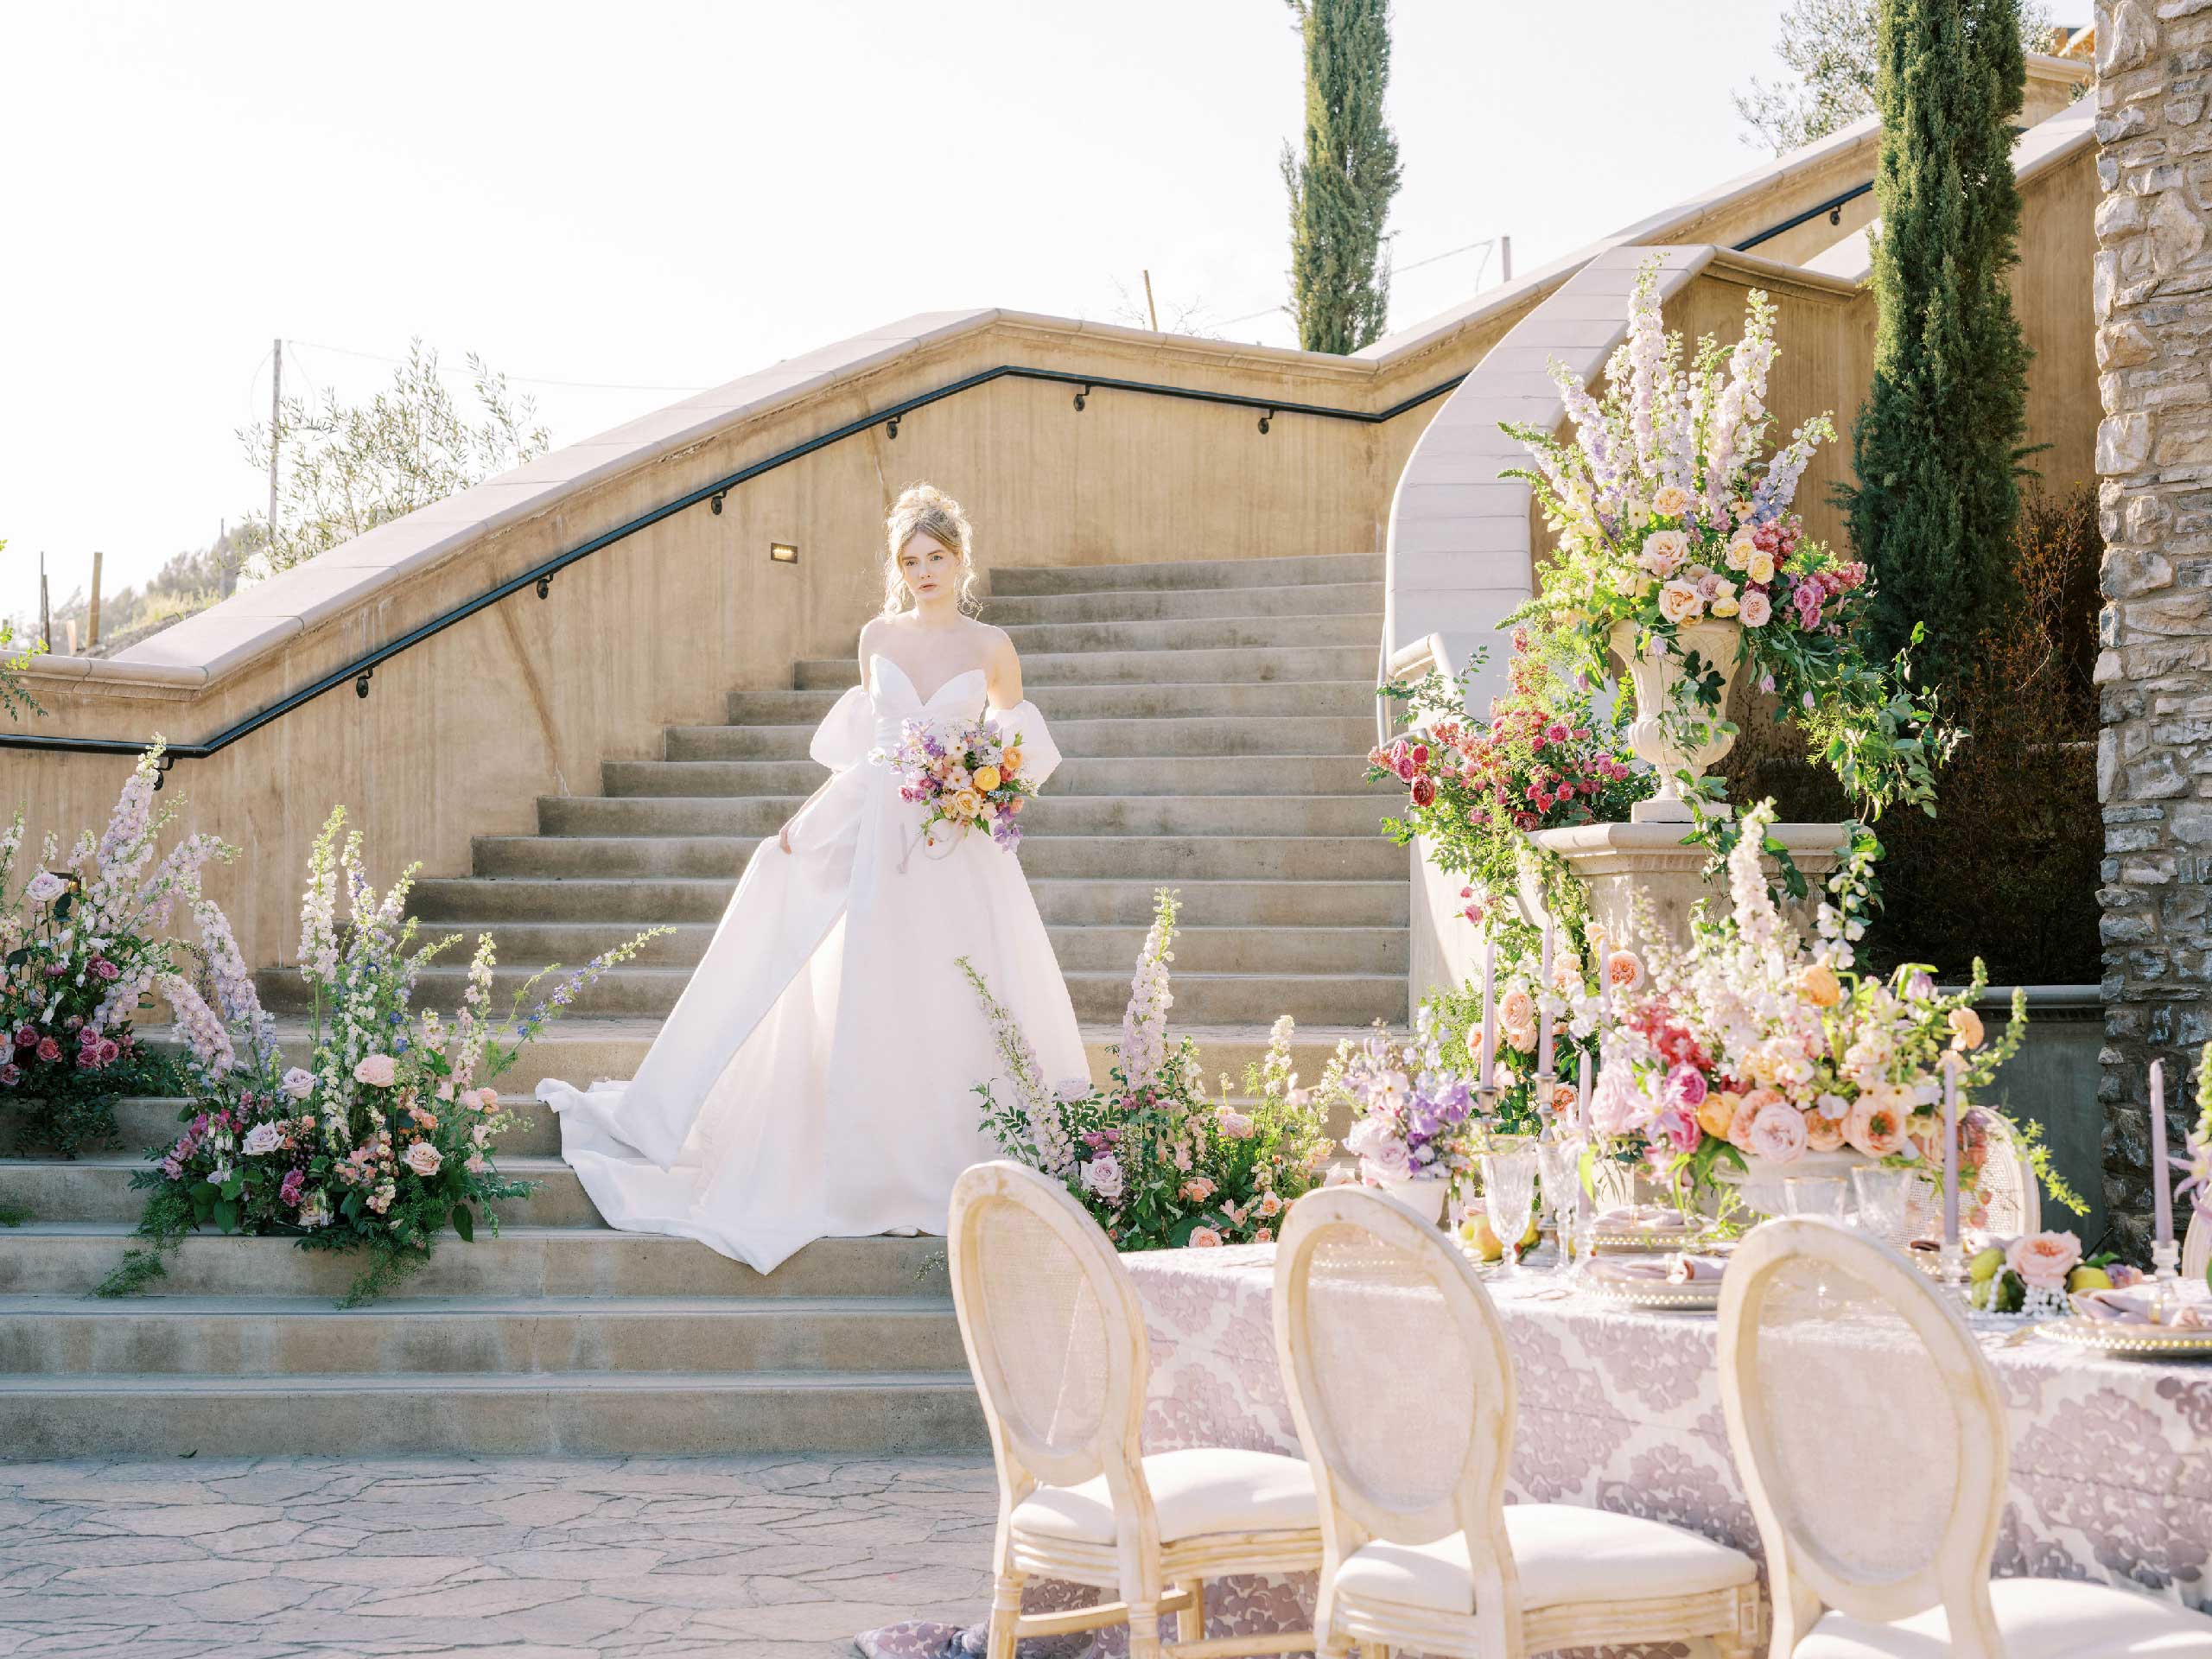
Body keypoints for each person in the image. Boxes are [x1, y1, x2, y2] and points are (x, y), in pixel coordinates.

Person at [537, 484, 1086, 1273]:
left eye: (936, 557)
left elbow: (1017, 746)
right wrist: (807, 825)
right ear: (897, 568)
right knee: (878, 987)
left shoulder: (992, 645)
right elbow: (871, 755)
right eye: (910, 560)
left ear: (960, 558)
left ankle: (955, 1156)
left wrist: (981, 785)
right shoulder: (877, 638)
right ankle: (867, 1163)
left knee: (962, 992)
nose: (924, 570)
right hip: (882, 848)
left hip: (959, 849)